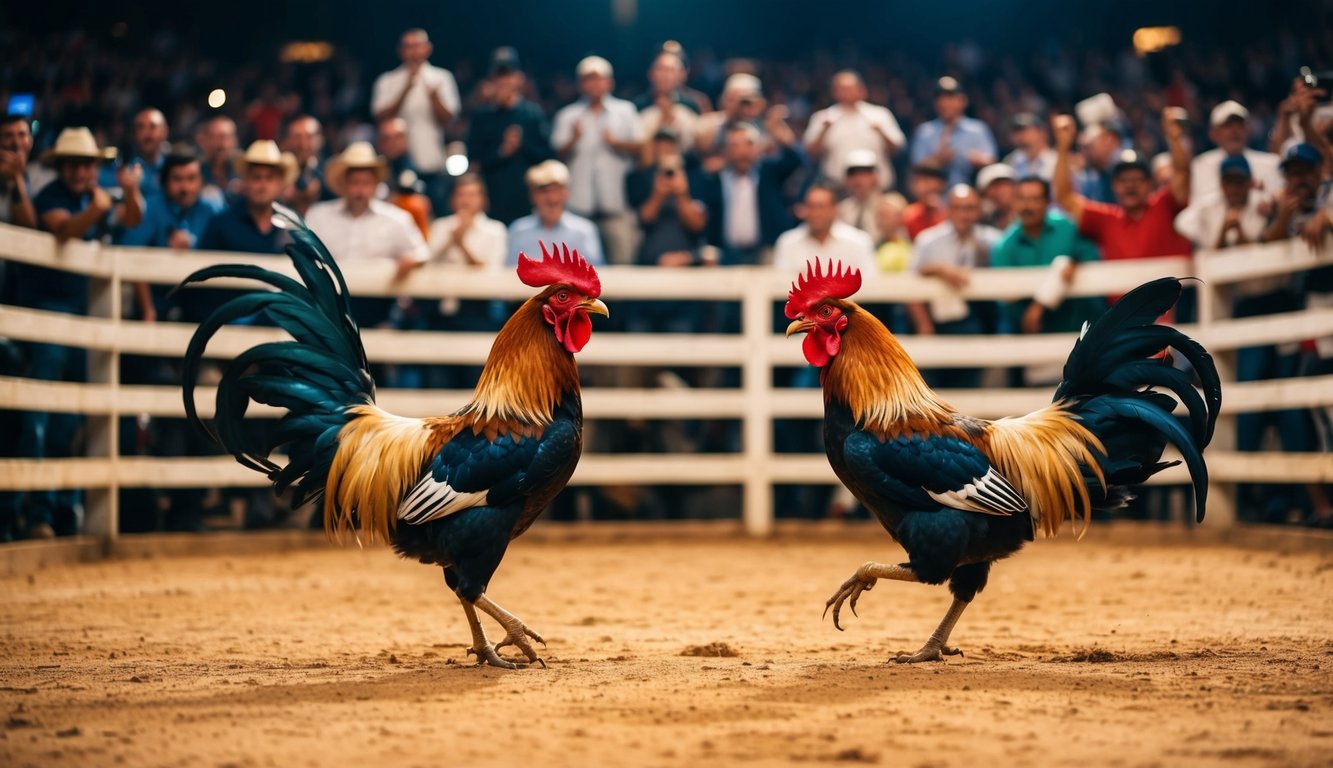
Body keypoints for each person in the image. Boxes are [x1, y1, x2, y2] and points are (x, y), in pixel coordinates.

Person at [6, 127, 144, 539]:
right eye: (74, 164)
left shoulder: (95, 199)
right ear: (62, 166)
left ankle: (62, 511)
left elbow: (131, 218)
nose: (81, 171)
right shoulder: (54, 197)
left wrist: (130, 194)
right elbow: (60, 230)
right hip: (51, 315)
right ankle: (36, 512)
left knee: (70, 421)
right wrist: (98, 210)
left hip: (82, 319)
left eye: (87, 164)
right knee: (40, 417)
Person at [304, 141, 429, 329]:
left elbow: (421, 251)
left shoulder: (396, 218)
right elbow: (303, 253)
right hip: (329, 309)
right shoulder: (319, 215)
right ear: (344, 184)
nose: (360, 190)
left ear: (375, 185)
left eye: (366, 183)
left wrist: (412, 260)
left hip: (378, 309)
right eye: (355, 182)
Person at [1053, 110, 1192, 273]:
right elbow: (1065, 197)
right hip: (1124, 298)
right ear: (1113, 186)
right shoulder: (1107, 220)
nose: (1130, 186)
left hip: (1171, 297)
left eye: (1137, 179)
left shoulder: (1163, 206)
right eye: (1123, 180)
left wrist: (1175, 138)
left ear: (1149, 184)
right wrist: (1063, 148)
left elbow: (1182, 174)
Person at [989, 175, 1104, 347]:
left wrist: (1075, 263)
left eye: (1035, 199)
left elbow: (1091, 258)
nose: (1028, 206)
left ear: (1047, 202)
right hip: (1031, 336)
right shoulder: (1004, 246)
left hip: (1078, 327)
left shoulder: (1067, 227)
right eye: (1023, 199)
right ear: (1014, 202)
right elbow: (1005, 299)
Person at [551, 55, 643, 265]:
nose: (593, 84)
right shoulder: (567, 115)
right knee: (576, 275)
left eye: (598, 78)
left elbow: (641, 149)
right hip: (577, 210)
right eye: (587, 79)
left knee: (622, 269)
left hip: (616, 207)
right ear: (580, 84)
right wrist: (573, 139)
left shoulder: (625, 111)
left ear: (609, 82)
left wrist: (616, 143)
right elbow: (556, 156)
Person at [907, 184, 1000, 389]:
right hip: (936, 322)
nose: (964, 214)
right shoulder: (928, 241)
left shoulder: (991, 240)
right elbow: (910, 285)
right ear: (948, 210)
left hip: (975, 322)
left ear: (978, 210)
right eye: (958, 208)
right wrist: (940, 269)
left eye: (970, 208)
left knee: (970, 387)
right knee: (934, 389)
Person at [371, 28, 461, 213]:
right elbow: (379, 117)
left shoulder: (441, 78)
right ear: (401, 51)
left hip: (432, 163)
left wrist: (434, 98)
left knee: (435, 214)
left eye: (417, 46)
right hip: (397, 166)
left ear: (427, 49)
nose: (413, 52)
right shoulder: (388, 80)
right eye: (408, 47)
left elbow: (450, 120)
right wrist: (405, 89)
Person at [694, 122, 804, 266]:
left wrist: (782, 137)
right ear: (726, 151)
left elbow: (797, 161)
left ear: (757, 148)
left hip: (765, 250)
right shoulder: (714, 180)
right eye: (735, 145)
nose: (742, 151)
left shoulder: (770, 173)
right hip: (726, 253)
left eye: (748, 144)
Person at [466, 47, 553, 225]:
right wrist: (501, 152)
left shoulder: (532, 114)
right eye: (500, 75)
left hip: (527, 201)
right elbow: (473, 160)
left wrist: (523, 144)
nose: (505, 80)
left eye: (509, 74)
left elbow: (547, 157)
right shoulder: (481, 116)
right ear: (492, 79)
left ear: (519, 78)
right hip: (492, 200)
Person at [804, 70, 906, 190]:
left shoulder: (880, 115)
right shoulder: (823, 117)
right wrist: (824, 130)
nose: (847, 93)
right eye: (842, 89)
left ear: (862, 90)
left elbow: (898, 149)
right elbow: (810, 153)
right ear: (834, 92)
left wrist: (881, 132)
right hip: (836, 188)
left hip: (877, 188)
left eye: (850, 88)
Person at [197, 140, 296, 257]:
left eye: (269, 178)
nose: (262, 185)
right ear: (245, 181)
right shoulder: (221, 225)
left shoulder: (293, 226)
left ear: (280, 184)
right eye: (256, 177)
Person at [506, 159, 602, 266]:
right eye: (544, 191)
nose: (552, 198)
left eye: (557, 189)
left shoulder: (584, 230)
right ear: (532, 195)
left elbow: (596, 273)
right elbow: (510, 273)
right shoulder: (518, 230)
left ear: (566, 193)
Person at [908, 77, 996, 187]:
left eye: (950, 97)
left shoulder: (977, 129)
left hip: (972, 194)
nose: (944, 103)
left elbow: (991, 162)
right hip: (936, 197)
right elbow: (916, 168)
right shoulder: (925, 132)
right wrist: (937, 160)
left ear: (962, 101)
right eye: (940, 98)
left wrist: (976, 159)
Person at [1191, 100, 1283, 205]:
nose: (1235, 130)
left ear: (1248, 130)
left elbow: (1279, 199)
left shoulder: (1271, 163)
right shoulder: (1201, 164)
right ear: (1213, 133)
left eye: (1240, 125)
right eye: (1227, 125)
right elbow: (1197, 207)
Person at [773, 182, 875, 273]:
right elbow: (781, 285)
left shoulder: (859, 242)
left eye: (821, 207)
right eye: (811, 206)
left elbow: (869, 283)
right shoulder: (788, 242)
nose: (816, 213)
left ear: (834, 210)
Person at [1175, 156, 1268, 249]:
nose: (1234, 189)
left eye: (1239, 182)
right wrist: (1223, 229)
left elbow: (1257, 249)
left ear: (1250, 182)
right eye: (1228, 182)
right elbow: (1181, 224)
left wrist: (1239, 229)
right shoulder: (1207, 206)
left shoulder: (1261, 205)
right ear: (1221, 184)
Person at [837, 149, 889, 242]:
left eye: (864, 173)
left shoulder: (888, 207)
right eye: (853, 174)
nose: (858, 180)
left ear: (875, 176)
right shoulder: (842, 210)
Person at [281, 115, 329, 216]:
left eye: (309, 137)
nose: (303, 144)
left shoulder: (328, 172)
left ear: (320, 140)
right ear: (288, 140)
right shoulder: (279, 171)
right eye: (297, 137)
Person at [0, 114, 37, 229]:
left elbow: (28, 225)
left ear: (30, 141)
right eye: (8, 136)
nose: (16, 143)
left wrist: (16, 176)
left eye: (22, 135)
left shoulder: (41, 175)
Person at [196, 115, 239, 207]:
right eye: (214, 137)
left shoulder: (244, 173)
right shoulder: (196, 172)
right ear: (204, 140)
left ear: (234, 141)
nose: (220, 144)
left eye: (224, 137)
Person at [1003, 112, 1056, 181]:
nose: (1020, 135)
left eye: (1024, 130)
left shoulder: (1056, 160)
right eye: (1016, 131)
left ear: (1041, 132)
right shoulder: (1010, 161)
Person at [902, 162, 948, 240]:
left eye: (926, 180)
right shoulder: (909, 216)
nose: (921, 186)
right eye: (917, 180)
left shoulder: (950, 214)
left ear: (942, 184)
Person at [976, 162, 1018, 230]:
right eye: (993, 187)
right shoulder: (985, 221)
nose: (999, 192)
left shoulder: (1028, 214)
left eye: (1003, 184)